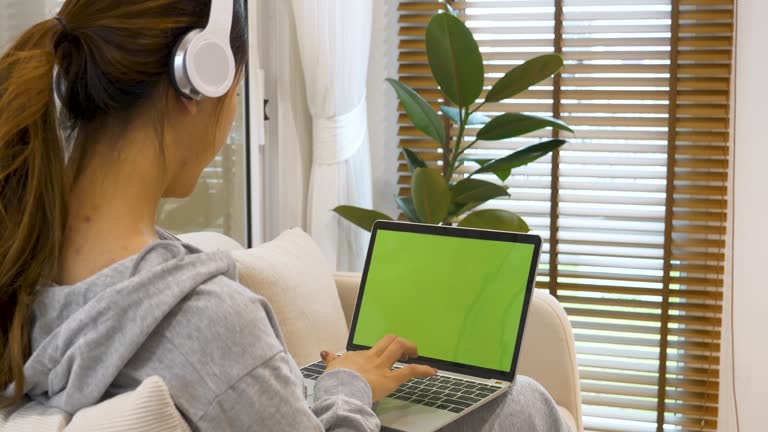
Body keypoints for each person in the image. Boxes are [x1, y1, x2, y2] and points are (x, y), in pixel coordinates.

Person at [0, 0, 572, 431]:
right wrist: (345, 386)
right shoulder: (207, 322)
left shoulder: (27, 267)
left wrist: (339, 384)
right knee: (522, 406)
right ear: (200, 77)